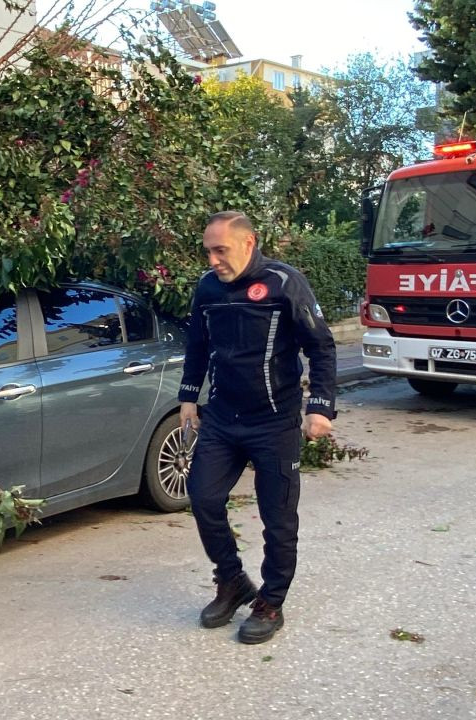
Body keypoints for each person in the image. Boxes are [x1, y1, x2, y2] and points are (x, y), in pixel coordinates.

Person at [178, 210, 337, 644]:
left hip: (275, 422)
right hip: (223, 418)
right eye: (208, 250)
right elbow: (198, 344)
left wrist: (320, 406)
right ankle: (231, 581)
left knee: (278, 519)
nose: (212, 259)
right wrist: (189, 396)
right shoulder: (207, 288)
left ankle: (271, 601)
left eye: (220, 250)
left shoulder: (284, 282)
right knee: (204, 497)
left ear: (249, 243)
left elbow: (320, 345)